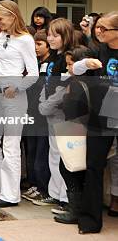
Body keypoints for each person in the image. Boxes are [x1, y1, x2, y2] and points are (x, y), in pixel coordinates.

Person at [0, 0, 38, 208]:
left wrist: (17, 87)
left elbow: (33, 73)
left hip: (14, 98)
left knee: (10, 145)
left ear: (13, 16)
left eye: (0, 18)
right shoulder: (1, 36)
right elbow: (5, 65)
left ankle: (11, 194)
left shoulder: (26, 40)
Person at [72, 11, 118, 234]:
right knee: (93, 166)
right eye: (97, 27)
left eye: (104, 29)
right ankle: (90, 221)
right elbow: (75, 69)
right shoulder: (97, 49)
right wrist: (86, 64)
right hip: (101, 115)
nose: (98, 31)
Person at [37, 18, 76, 208]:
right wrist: (42, 103)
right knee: (54, 154)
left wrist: (47, 105)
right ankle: (55, 192)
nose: (50, 39)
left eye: (55, 35)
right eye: (49, 35)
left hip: (61, 113)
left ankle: (66, 197)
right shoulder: (52, 57)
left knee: (64, 155)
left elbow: (64, 89)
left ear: (65, 36)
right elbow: (47, 84)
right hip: (49, 111)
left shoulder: (67, 58)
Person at [21, 30, 53, 205]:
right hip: (30, 111)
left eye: (39, 44)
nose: (36, 48)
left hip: (42, 114)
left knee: (42, 152)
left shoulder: (49, 64)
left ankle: (44, 187)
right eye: (34, 44)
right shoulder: (34, 63)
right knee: (31, 150)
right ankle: (34, 183)